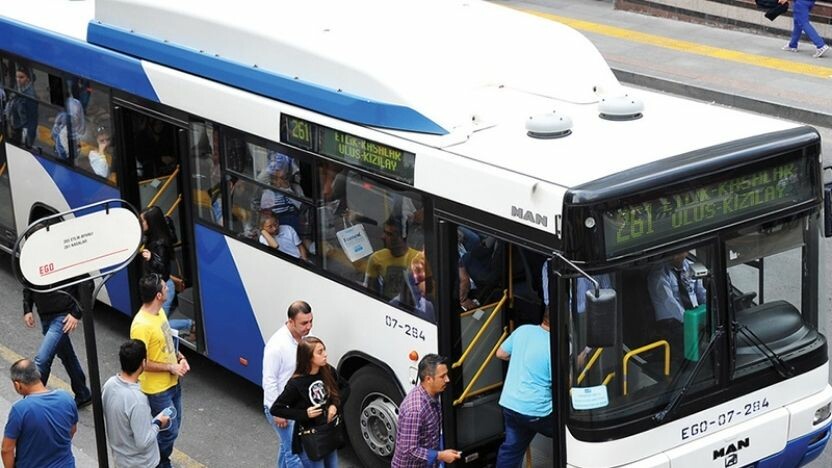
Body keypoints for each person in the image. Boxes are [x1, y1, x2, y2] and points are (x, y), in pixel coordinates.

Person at [130, 274, 190, 468]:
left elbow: (167, 342)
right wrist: (171, 367)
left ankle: (159, 461)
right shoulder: (141, 325)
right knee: (168, 431)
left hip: (173, 382)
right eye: (165, 287)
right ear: (158, 295)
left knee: (174, 427)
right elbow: (141, 361)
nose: (168, 289)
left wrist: (180, 358)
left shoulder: (159, 313)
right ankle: (157, 462)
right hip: (157, 390)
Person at [270, 336, 350, 468]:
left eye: (324, 350)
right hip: (310, 440)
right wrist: (305, 414)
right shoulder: (296, 384)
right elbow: (276, 409)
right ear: (308, 357)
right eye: (320, 352)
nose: (325, 354)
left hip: (329, 432)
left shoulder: (328, 370)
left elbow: (345, 387)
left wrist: (335, 405)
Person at [22, 277, 93, 409]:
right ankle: (83, 393)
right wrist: (27, 309)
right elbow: (29, 283)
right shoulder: (33, 264)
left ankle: (30, 404)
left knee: (42, 360)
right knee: (67, 357)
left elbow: (87, 283)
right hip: (45, 316)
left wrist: (76, 313)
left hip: (62, 316)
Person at [494, 312, 553, 468]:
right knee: (571, 430)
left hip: (510, 404)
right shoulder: (556, 343)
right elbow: (561, 379)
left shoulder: (523, 330)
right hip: (537, 411)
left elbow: (500, 353)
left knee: (512, 449)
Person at [102, 339, 171, 468]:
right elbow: (143, 442)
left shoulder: (109, 385)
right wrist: (158, 423)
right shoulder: (138, 401)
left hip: (121, 460)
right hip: (142, 463)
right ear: (143, 363)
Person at [262, 301, 314, 468]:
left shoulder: (306, 337)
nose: (309, 326)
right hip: (282, 407)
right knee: (293, 452)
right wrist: (278, 411)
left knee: (287, 446)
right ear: (291, 321)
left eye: (311, 321)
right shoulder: (277, 346)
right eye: (304, 323)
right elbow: (269, 380)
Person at [2, 359, 78, 468]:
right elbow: (72, 429)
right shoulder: (66, 398)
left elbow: (6, 449)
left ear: (18, 385)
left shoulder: (20, 409)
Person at [391, 354, 461, 468]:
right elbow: (409, 450)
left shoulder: (433, 395)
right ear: (428, 379)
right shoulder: (415, 410)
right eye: (442, 376)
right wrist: (440, 455)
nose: (447, 380)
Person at [365, 216, 420, 300]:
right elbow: (370, 291)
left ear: (401, 237)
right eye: (384, 232)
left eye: (389, 234)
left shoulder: (418, 259)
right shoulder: (376, 258)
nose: (383, 237)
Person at [5, 67, 38, 147]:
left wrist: (28, 141)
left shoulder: (30, 96)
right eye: (17, 77)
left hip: (20, 131)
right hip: (13, 126)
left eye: (21, 77)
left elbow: (32, 120)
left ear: (28, 79)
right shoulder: (18, 87)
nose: (18, 80)